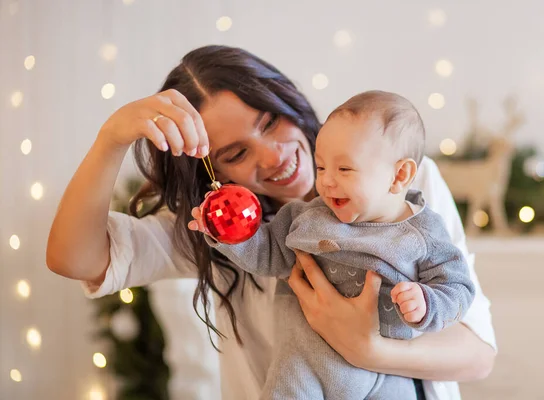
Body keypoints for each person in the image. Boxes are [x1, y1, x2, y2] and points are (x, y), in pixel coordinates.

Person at [46, 45, 497, 400]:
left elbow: (477, 355)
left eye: (271, 121)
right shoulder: (217, 230)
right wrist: (111, 139)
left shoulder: (406, 193)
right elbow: (72, 258)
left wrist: (367, 348)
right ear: (217, 175)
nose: (274, 155)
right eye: (237, 154)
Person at [193, 90, 476, 400]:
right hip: (302, 366)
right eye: (322, 167)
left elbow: (457, 287)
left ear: (399, 175)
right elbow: (267, 255)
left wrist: (425, 303)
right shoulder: (306, 217)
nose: (326, 182)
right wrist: (228, 232)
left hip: (384, 375)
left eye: (344, 169)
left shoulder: (424, 233)